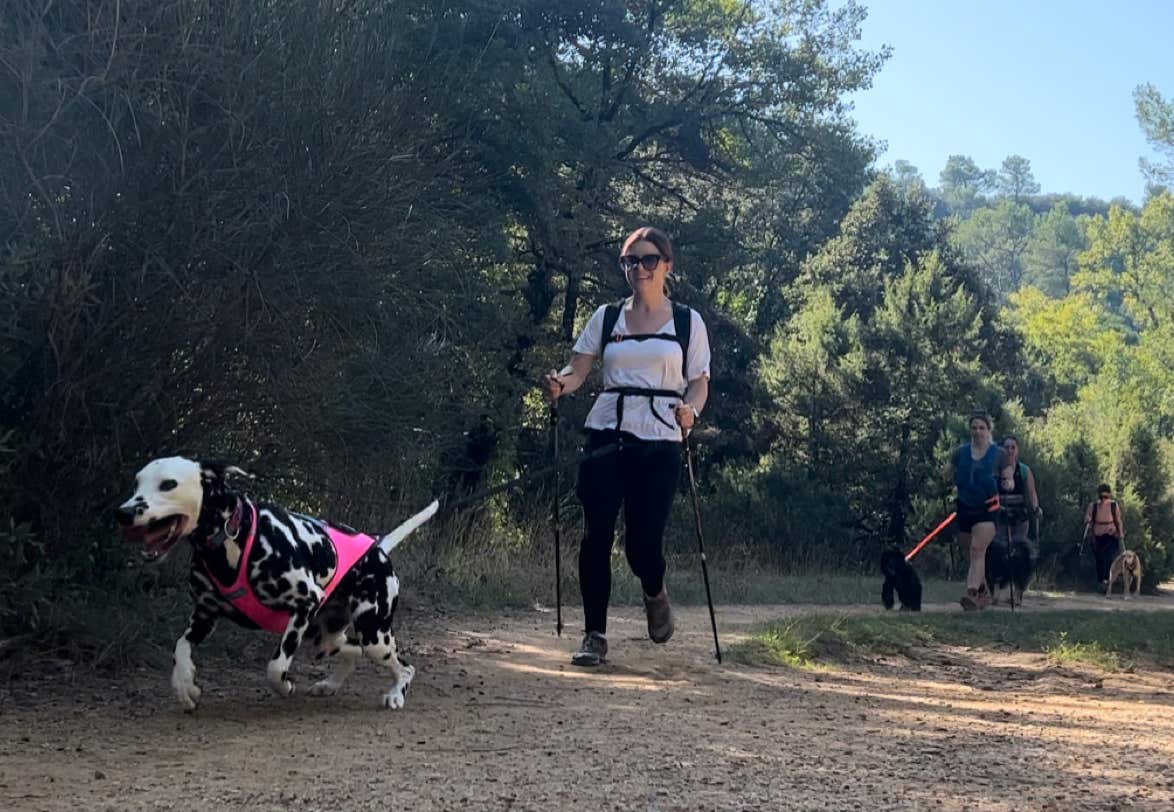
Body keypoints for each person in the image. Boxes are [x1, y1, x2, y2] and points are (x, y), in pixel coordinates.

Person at [542, 226, 711, 667]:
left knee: (642, 545)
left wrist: (691, 412)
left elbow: (698, 384)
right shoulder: (607, 317)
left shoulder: (687, 322)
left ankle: (654, 591)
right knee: (596, 533)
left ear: (667, 265)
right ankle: (594, 636)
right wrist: (562, 383)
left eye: (649, 259)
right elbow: (579, 369)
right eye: (630, 261)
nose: (639, 268)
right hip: (608, 433)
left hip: (660, 441)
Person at [941, 412, 1015, 611]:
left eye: (981, 428)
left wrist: (1008, 482)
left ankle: (971, 593)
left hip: (988, 509)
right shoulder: (960, 452)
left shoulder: (999, 454)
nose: (977, 431)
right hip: (965, 508)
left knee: (977, 550)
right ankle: (983, 591)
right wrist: (945, 475)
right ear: (970, 430)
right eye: (974, 427)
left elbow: (1009, 476)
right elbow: (947, 472)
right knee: (969, 553)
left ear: (988, 430)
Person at [989, 434, 1042, 603]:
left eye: (1013, 447)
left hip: (1019, 517)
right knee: (997, 554)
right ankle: (996, 591)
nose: (1010, 450)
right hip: (999, 515)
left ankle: (1017, 592)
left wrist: (1035, 508)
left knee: (1019, 555)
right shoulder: (994, 469)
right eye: (1007, 447)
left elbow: (1032, 493)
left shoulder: (1024, 470)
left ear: (1017, 450)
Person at [1083, 483, 1124, 589]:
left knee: (1108, 557)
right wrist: (1087, 519)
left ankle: (1107, 580)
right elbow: (1087, 516)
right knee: (1099, 559)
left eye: (1106, 497)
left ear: (1109, 495)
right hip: (1097, 537)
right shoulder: (1093, 506)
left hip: (1111, 534)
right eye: (1102, 497)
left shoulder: (1114, 505)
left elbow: (1118, 520)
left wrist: (1120, 534)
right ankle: (1101, 582)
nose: (1104, 499)